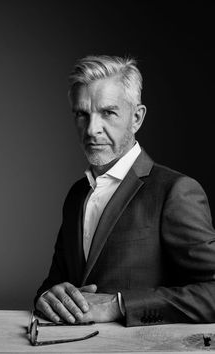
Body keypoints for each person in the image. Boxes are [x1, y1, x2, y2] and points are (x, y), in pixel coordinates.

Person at [34, 55, 215, 327]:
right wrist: (48, 296)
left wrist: (118, 306)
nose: (92, 130)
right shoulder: (76, 195)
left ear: (137, 118)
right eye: (82, 114)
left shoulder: (176, 191)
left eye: (108, 112)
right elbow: (55, 284)